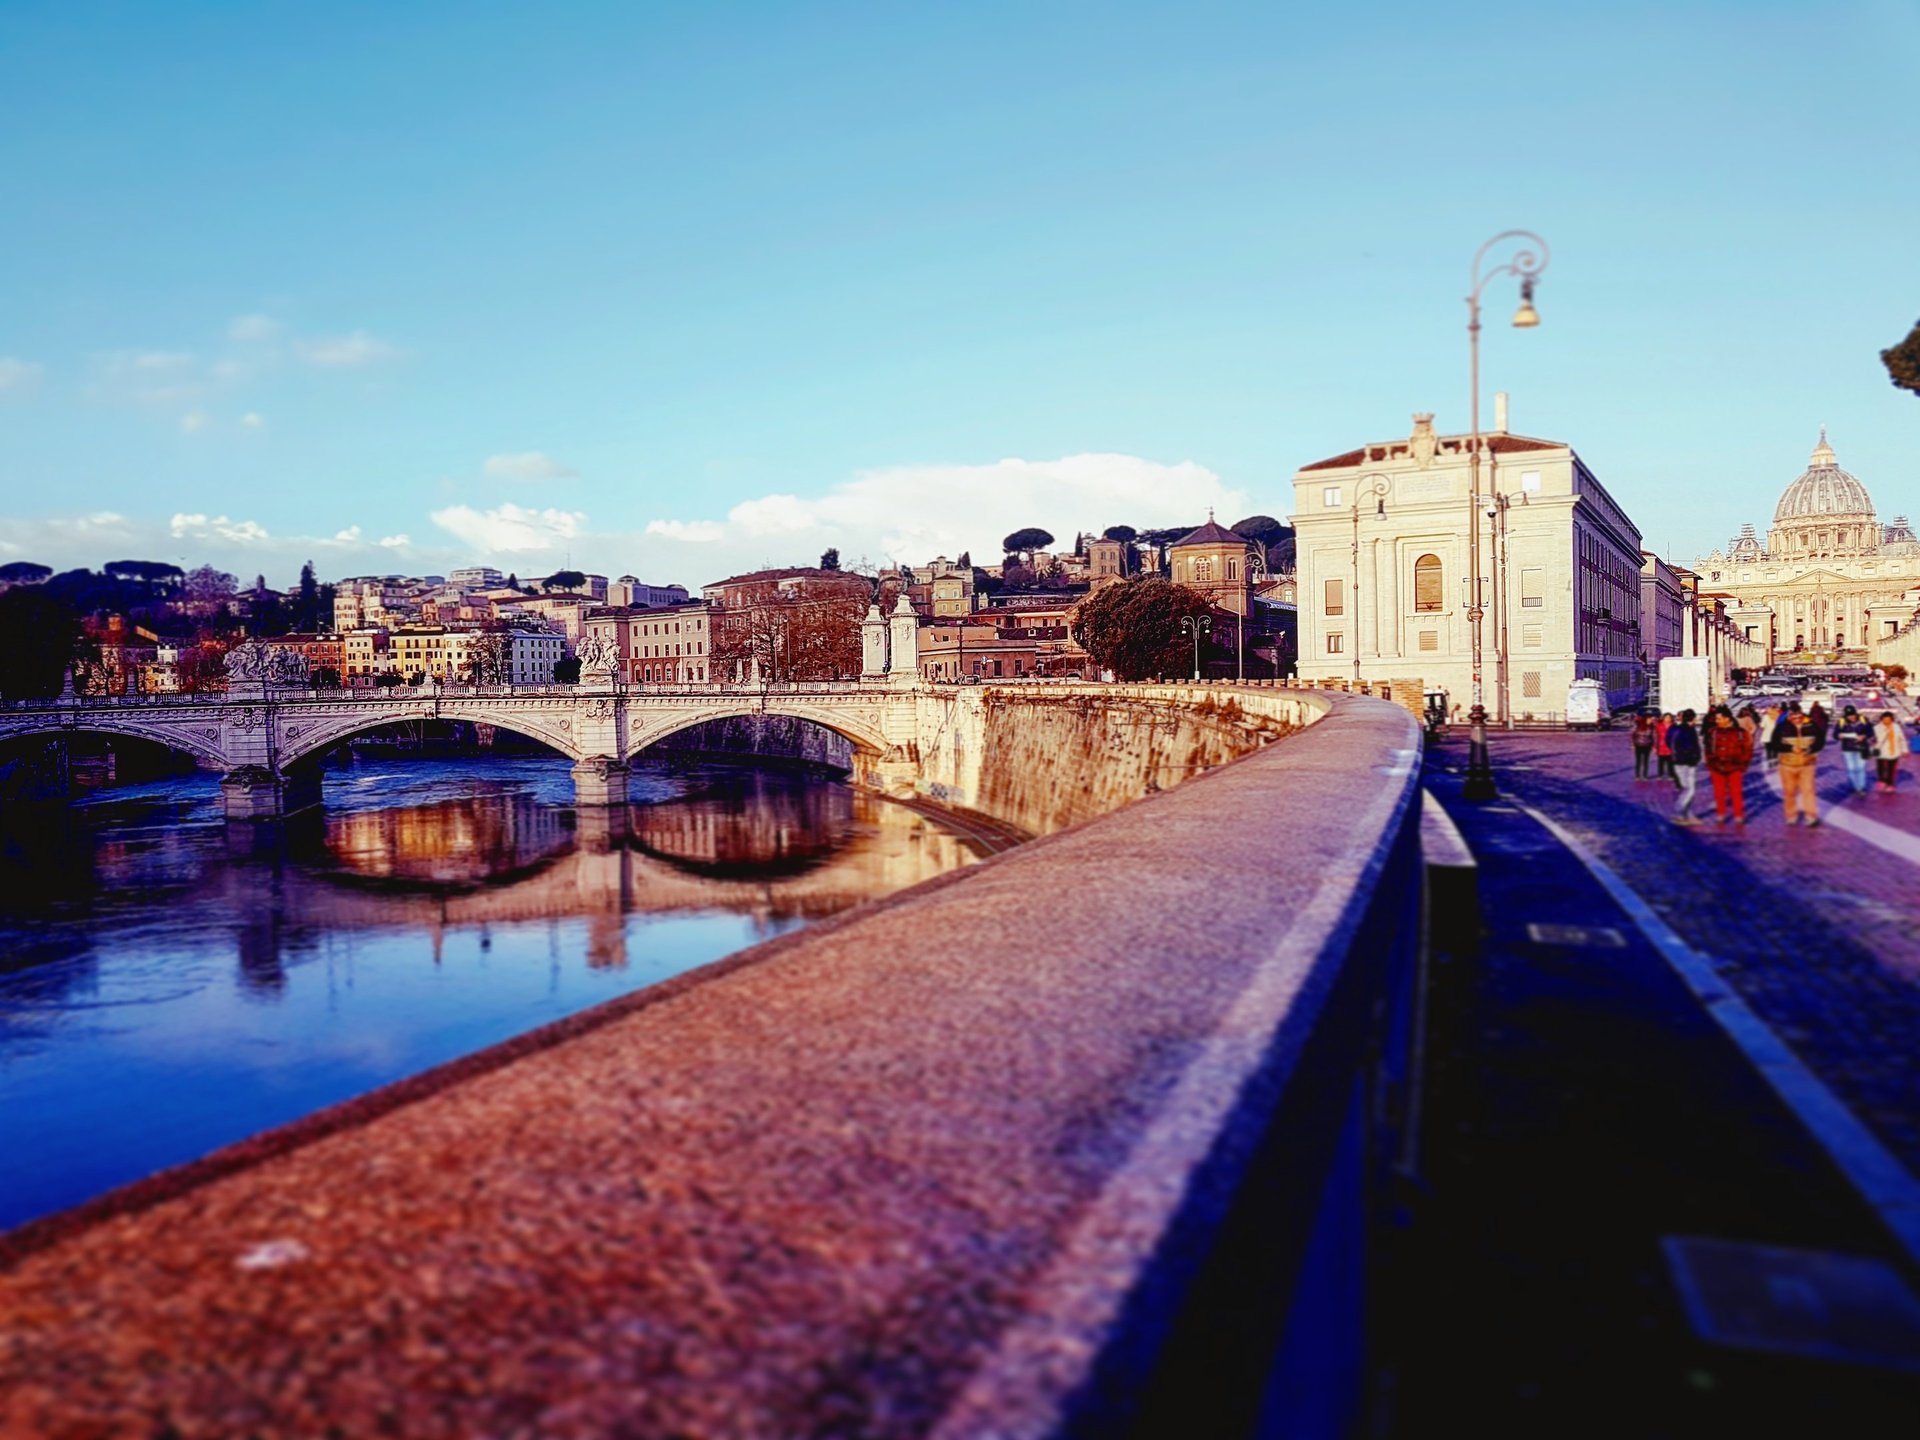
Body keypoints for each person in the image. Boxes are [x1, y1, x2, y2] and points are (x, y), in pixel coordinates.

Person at [1769, 702, 1826, 827]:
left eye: (1798, 715)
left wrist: (1810, 749)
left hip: (1807, 763)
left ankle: (1811, 816)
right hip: (1787, 764)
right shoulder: (1782, 727)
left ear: (1801, 713)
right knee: (1789, 792)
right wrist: (1789, 748)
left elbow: (1820, 741)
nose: (1796, 719)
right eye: (1793, 716)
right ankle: (1791, 815)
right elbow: (1774, 743)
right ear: (1789, 715)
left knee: (1808, 791)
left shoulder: (1811, 725)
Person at [1705, 704, 1754, 825]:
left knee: (1736, 792)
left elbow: (1747, 749)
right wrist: (1711, 762)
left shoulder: (1740, 733)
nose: (1717, 721)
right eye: (1716, 719)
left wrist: (1743, 764)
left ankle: (1738, 815)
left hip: (1735, 766)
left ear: (1728, 719)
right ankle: (1721, 814)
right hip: (1717, 766)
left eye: (1719, 718)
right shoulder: (1713, 732)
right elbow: (1708, 749)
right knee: (1719, 792)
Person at [1669, 707, 1704, 824]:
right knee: (1689, 789)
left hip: (1677, 760)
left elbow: (1668, 741)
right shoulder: (1689, 731)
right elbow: (1691, 746)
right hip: (1688, 762)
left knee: (1685, 788)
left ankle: (1688, 815)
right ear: (1693, 718)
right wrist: (1695, 757)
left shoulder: (1674, 729)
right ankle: (1678, 812)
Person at [1834, 705, 1875, 795]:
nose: (1852, 717)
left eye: (1853, 715)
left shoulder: (1863, 720)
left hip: (1862, 748)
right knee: (1851, 769)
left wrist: (1864, 736)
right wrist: (1839, 736)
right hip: (1848, 749)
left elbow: (1871, 732)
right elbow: (1835, 734)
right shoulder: (1841, 722)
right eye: (1849, 716)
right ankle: (1855, 787)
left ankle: (1861, 788)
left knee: (1860, 768)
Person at [1874, 710, 1909, 792]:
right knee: (1880, 768)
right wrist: (1886, 731)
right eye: (1884, 720)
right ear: (1881, 719)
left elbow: (1901, 739)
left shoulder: (1896, 727)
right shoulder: (1876, 728)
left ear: (1892, 720)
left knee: (1891, 769)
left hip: (1893, 751)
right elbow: (1876, 740)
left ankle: (1890, 784)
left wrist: (1904, 750)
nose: (1886, 722)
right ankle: (1882, 781)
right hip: (1881, 751)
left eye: (1889, 720)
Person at [1631, 710, 1657, 780]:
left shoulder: (1651, 727)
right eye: (1650, 718)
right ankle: (1638, 776)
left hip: (1647, 745)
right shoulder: (1638, 725)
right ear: (1645, 718)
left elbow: (1653, 736)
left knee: (1646, 761)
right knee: (1639, 761)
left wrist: (1653, 746)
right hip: (1638, 745)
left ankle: (1645, 775)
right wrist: (1633, 745)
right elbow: (1633, 735)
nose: (1651, 720)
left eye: (1651, 718)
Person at [1655, 712, 1676, 780]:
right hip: (1661, 746)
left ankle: (1671, 775)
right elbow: (1655, 736)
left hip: (1670, 746)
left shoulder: (1674, 726)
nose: (1668, 719)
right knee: (1661, 762)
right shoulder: (1659, 725)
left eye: (1669, 717)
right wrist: (1655, 746)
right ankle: (1660, 775)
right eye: (1666, 717)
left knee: (1670, 762)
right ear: (1663, 718)